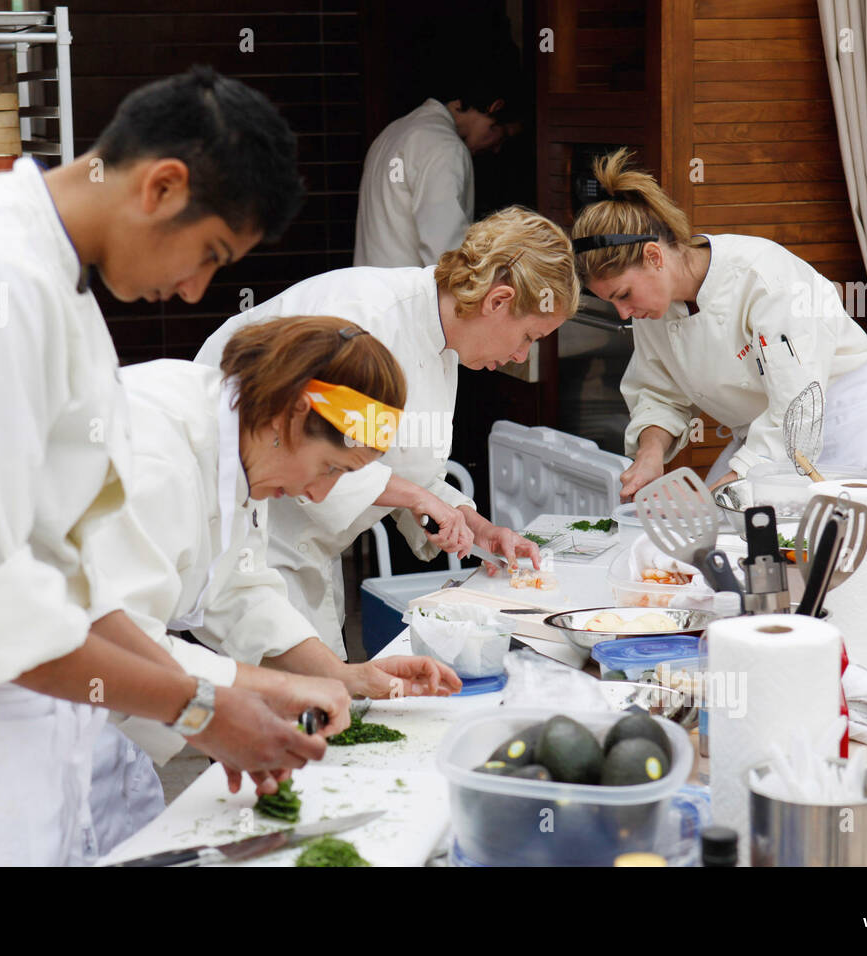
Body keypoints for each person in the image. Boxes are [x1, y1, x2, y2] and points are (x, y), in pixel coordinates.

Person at [0, 68, 351, 867]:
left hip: (23, 727)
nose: (193, 292)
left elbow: (66, 575)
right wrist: (202, 710)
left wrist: (228, 695)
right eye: (209, 255)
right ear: (161, 185)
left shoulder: (52, 279)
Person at [80, 316, 463, 843]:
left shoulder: (242, 441)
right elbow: (113, 639)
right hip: (11, 720)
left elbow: (239, 590)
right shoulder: (156, 451)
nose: (320, 494)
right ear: (293, 413)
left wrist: (342, 677)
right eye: (329, 467)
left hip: (108, 728)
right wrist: (242, 702)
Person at [195, 205, 581, 663]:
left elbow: (406, 472)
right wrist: (418, 499)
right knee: (279, 701)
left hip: (303, 550)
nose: (521, 355)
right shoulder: (366, 317)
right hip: (244, 530)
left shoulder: (443, 345)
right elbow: (313, 456)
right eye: (529, 336)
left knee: (320, 701)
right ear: (497, 301)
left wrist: (478, 529)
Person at [568, 149, 867, 500]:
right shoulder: (654, 307)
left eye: (623, 294)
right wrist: (650, 454)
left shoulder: (764, 278)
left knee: (828, 551)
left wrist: (720, 490)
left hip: (847, 433)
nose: (623, 313)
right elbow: (659, 394)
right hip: (762, 439)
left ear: (654, 257)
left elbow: (797, 409)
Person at [353, 75, 519, 268]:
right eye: (502, 135)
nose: (496, 148)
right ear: (494, 108)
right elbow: (445, 251)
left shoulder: (393, 131)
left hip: (373, 288)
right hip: (411, 294)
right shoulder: (444, 145)